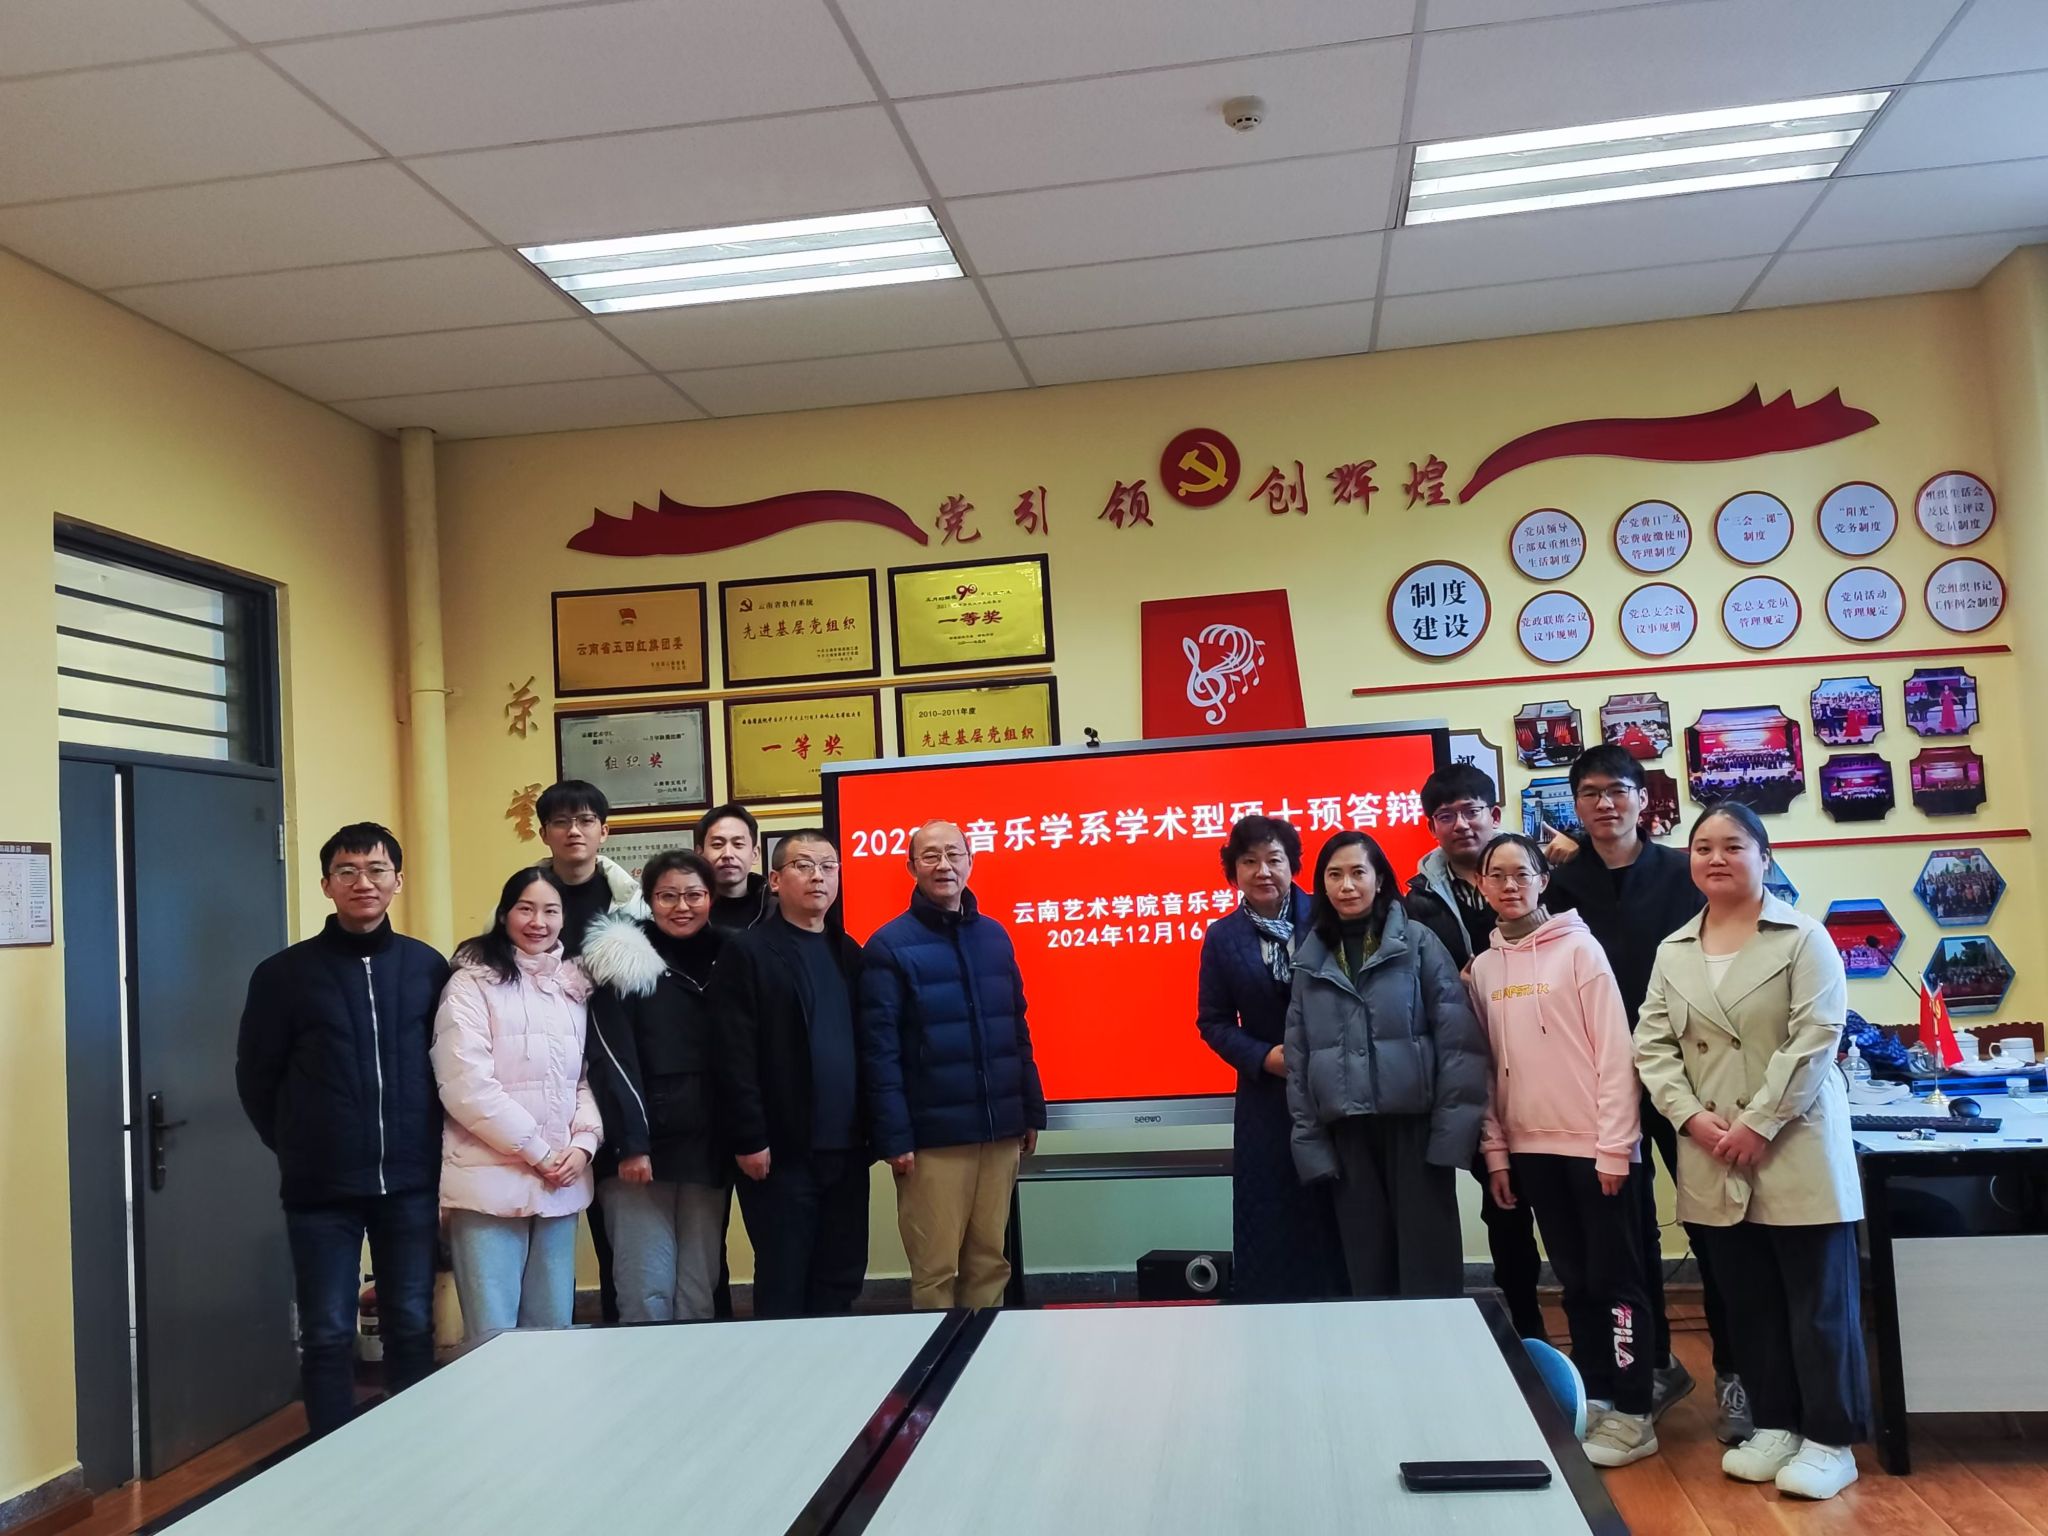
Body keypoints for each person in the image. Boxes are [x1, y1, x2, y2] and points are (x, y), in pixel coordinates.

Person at [1635, 804, 1868, 1501]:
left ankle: (1831, 1439)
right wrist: (1691, 1119)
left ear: (1764, 857)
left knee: (1816, 1301)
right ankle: (1776, 1424)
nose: (1715, 858)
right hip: (1711, 1147)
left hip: (1792, 1141)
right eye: (1702, 847)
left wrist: (1759, 1124)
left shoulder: (1803, 938)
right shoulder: (1674, 949)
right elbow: (1651, 1045)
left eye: (1733, 846)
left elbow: (1816, 1037)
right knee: (1748, 1300)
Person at [1545, 744, 1738, 1438]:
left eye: (1617, 790)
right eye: (1590, 793)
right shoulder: (1561, 887)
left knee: (1714, 1227)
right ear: (1576, 804)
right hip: (1603, 1083)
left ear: (1642, 798)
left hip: (1689, 1076)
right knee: (1627, 1237)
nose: (1605, 803)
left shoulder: (1685, 873)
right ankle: (1652, 1366)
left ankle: (1735, 1374)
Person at [236, 823, 448, 1437]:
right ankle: (332, 1455)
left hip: (410, 1179)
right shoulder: (282, 974)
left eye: (377, 870)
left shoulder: (426, 967)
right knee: (328, 1332)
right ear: (326, 884)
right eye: (348, 871)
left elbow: (449, 1066)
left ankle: (416, 1448)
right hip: (320, 1189)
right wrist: (300, 1144)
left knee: (412, 1322)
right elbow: (257, 1078)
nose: (364, 882)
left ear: (398, 880)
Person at [1469, 834, 1656, 1468]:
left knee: (1617, 1283)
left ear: (1543, 881)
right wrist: (1497, 1153)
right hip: (1530, 1149)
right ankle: (1596, 1393)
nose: (1510, 885)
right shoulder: (1484, 969)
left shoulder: (1580, 949)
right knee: (1574, 1282)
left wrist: (1615, 1146)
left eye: (1522, 873)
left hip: (1597, 1150)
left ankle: (1635, 1410)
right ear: (1481, 886)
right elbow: (1486, 1069)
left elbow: (1617, 1053)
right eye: (1497, 875)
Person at [1284, 831, 1488, 1299]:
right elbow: (1298, 1061)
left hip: (1416, 1134)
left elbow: (1459, 1045)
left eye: (1358, 872)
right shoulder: (1310, 959)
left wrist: (1451, 1136)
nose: (1346, 885)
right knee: (1367, 1274)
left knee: (1429, 1275)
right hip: (1348, 1138)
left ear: (1380, 880)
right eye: (1334, 875)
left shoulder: (1418, 943)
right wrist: (1311, 1145)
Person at [859, 820, 1047, 1310]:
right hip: (933, 1141)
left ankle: (984, 1352)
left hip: (999, 1131)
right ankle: (940, 1358)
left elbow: (1016, 1028)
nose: (944, 865)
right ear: (911, 868)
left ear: (970, 861)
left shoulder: (994, 936)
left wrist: (1030, 1111)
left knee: (990, 1263)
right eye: (930, 856)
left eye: (953, 854)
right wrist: (894, 1137)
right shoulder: (888, 946)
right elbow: (880, 1051)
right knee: (935, 1269)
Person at [1403, 763, 1545, 1340]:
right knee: (1503, 1204)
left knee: (1569, 1206)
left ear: (1495, 813)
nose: (1461, 824)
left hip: (1548, 1064)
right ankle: (1527, 1331)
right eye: (1446, 815)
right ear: (1431, 825)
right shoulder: (1416, 903)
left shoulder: (1537, 875)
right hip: (1473, 1070)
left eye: (1471, 810)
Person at [432, 868, 601, 1338]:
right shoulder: (471, 984)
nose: (538, 922)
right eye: (526, 909)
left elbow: (584, 1078)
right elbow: (466, 1085)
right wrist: (539, 1153)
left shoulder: (572, 988)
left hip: (560, 1182)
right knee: (493, 1335)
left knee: (552, 1331)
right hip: (488, 1185)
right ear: (505, 914)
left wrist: (584, 1143)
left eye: (551, 910)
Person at [711, 830, 869, 1317]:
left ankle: (837, 1363)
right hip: (780, 1152)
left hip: (847, 1150)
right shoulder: (748, 952)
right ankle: (783, 1366)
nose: (818, 876)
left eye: (828, 866)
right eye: (804, 865)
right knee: (785, 1278)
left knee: (841, 1274)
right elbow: (732, 1054)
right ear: (776, 880)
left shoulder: (849, 952)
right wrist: (750, 1137)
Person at [1195, 815, 1347, 1300]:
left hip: (1336, 1089)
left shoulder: (1329, 916)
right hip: (1267, 1100)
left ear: (1293, 865)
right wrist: (1264, 1057)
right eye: (1249, 861)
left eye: (1274, 860)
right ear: (1233, 871)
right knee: (1270, 1214)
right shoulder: (1223, 937)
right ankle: (1269, 1317)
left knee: (1338, 1210)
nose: (1263, 872)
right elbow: (1213, 1021)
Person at [579, 849, 730, 1322]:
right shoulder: (622, 960)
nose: (682, 907)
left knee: (699, 1289)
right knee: (646, 1289)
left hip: (708, 1147)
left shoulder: (731, 956)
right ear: (648, 900)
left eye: (694, 895)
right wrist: (632, 1145)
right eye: (667, 896)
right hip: (640, 1151)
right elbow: (611, 1060)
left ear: (711, 897)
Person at [535, 779, 645, 1323]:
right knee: (548, 1224)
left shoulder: (633, 905)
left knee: (620, 1228)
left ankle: (620, 1328)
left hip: (615, 1075)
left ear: (605, 831)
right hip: (545, 1079)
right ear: (544, 833)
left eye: (584, 821)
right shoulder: (524, 903)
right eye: (561, 822)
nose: (573, 831)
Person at [697, 802, 775, 931]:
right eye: (717, 844)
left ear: (755, 854)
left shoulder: (779, 912)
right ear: (700, 854)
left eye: (738, 844)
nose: (728, 854)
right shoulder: (687, 912)